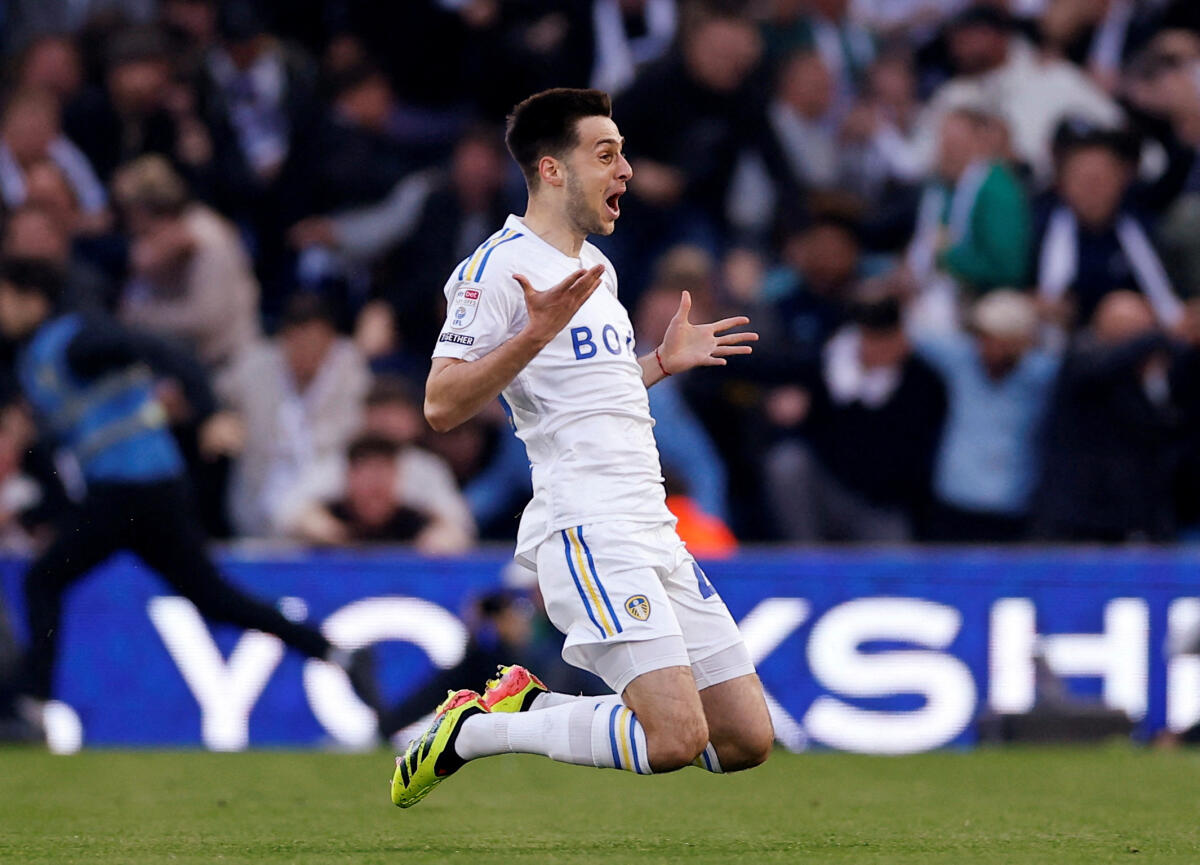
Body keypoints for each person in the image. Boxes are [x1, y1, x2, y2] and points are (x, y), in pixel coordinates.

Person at [390, 88, 769, 809]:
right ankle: (477, 729)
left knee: (744, 738)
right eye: (606, 153)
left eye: (623, 152)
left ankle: (519, 704)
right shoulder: (496, 268)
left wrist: (657, 363)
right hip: (588, 525)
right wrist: (529, 334)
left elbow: (591, 393)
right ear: (553, 169)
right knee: (672, 739)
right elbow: (441, 404)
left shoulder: (599, 271)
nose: (625, 169)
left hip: (653, 525)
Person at [0, 258, 379, 735]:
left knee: (43, 580)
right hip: (144, 492)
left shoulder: (77, 340)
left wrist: (207, 410)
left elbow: (159, 348)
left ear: (31, 299)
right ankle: (336, 652)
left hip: (132, 491)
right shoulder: (41, 354)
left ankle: (30, 704)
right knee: (214, 598)